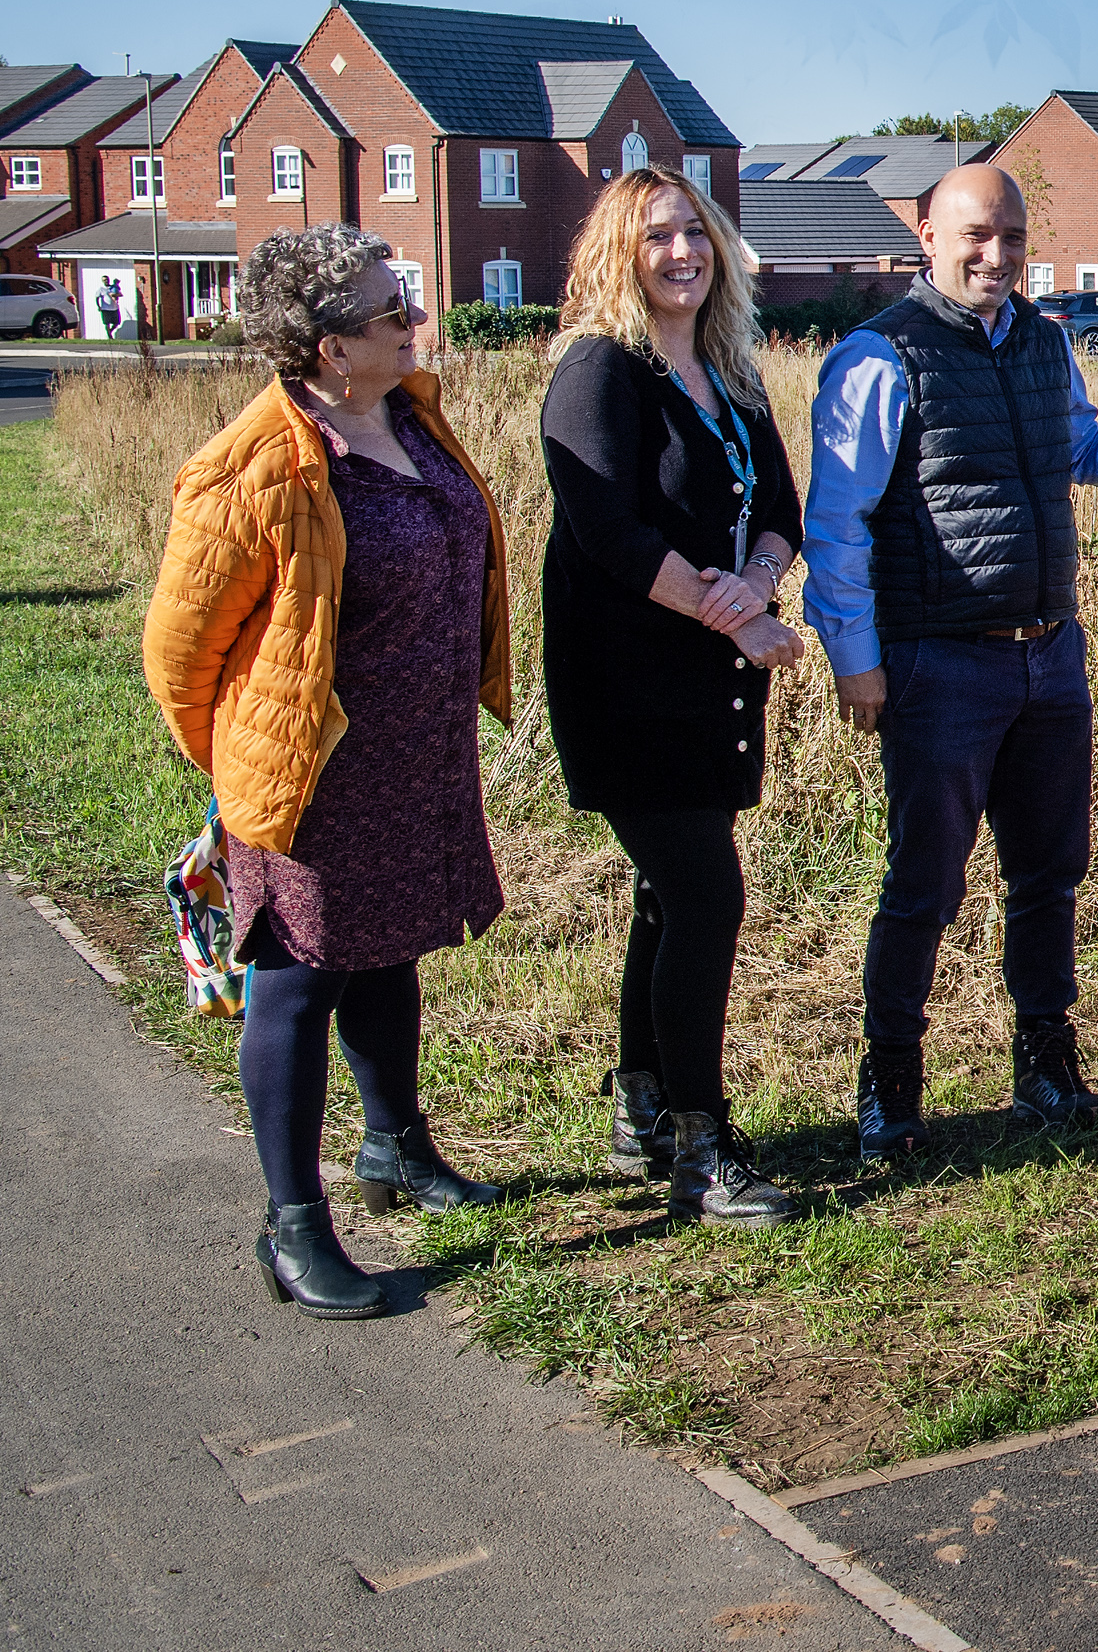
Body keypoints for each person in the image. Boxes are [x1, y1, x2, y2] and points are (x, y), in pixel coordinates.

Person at [803, 165, 1098, 1161]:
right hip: (938, 660)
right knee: (924, 883)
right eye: (977, 235)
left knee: (1048, 871)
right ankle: (892, 1079)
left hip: (1047, 654)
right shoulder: (878, 356)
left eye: (1014, 238)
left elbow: (1079, 452)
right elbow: (837, 522)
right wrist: (855, 659)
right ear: (926, 233)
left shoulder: (1044, 342)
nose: (997, 256)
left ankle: (1046, 1059)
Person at [143, 226, 510, 1318]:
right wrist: (248, 769)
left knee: (387, 947)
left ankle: (395, 1143)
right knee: (299, 980)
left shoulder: (410, 415)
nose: (415, 322)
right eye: (393, 311)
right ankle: (292, 1221)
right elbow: (179, 653)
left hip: (417, 752)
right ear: (326, 346)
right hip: (311, 771)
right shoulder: (252, 465)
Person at [543, 167, 812, 1228]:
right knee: (705, 894)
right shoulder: (597, 371)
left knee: (669, 893)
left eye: (694, 232)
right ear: (619, 251)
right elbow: (609, 532)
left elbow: (782, 504)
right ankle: (701, 1148)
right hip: (629, 680)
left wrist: (760, 578)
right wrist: (732, 614)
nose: (681, 253)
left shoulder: (728, 371)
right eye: (656, 236)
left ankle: (641, 1108)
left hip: (713, 681)